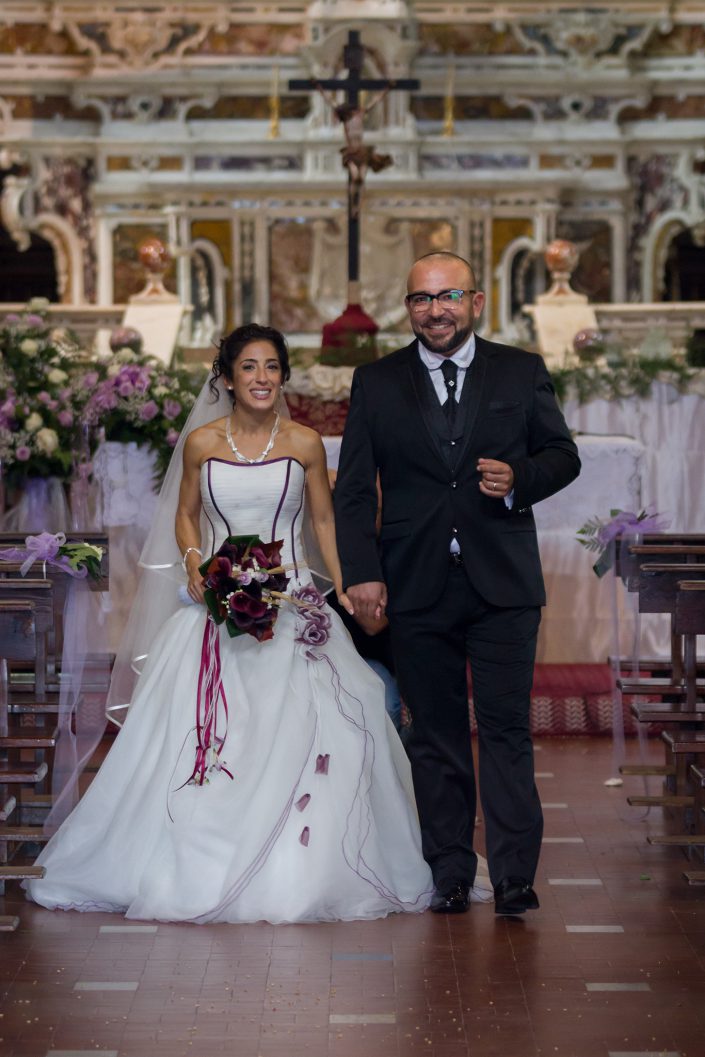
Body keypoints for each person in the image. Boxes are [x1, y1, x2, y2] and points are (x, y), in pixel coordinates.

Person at [25, 323, 493, 923]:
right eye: (249, 367)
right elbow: (186, 515)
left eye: (271, 366)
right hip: (216, 605)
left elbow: (324, 522)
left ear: (284, 376)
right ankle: (191, 856)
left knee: (333, 723)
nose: (261, 378)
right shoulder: (201, 443)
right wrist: (196, 564)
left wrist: (344, 582)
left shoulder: (304, 444)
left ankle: (314, 864)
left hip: (293, 601)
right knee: (206, 732)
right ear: (226, 377)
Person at [334, 252, 581, 916]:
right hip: (415, 583)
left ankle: (512, 876)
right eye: (421, 299)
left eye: (447, 297)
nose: (434, 310)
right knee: (433, 733)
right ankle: (446, 870)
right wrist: (360, 573)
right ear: (407, 307)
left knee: (504, 729)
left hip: (501, 582)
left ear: (475, 302)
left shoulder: (519, 370)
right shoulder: (377, 381)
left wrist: (519, 479)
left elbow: (562, 454)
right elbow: (353, 491)